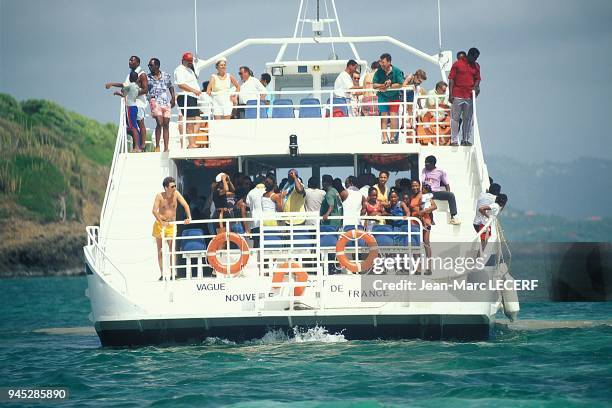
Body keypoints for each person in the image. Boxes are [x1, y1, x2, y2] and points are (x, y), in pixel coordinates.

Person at [151, 176, 191, 280]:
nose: (174, 188)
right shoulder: (159, 196)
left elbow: (185, 204)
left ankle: (173, 273)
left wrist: (189, 217)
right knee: (160, 250)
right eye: (172, 186)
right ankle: (162, 273)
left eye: (175, 186)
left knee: (172, 249)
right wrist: (161, 222)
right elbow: (154, 210)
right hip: (160, 224)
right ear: (166, 187)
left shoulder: (176, 194)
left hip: (171, 225)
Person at [449, 47, 481, 146]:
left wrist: (476, 87)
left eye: (476, 58)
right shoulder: (457, 64)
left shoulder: (476, 66)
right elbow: (451, 79)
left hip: (469, 96)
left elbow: (478, 78)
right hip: (457, 94)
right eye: (474, 57)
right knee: (455, 118)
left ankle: (465, 139)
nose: (475, 60)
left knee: (468, 118)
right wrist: (450, 94)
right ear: (469, 55)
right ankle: (454, 140)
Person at [106, 71, 143, 152]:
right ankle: (138, 146)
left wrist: (113, 87)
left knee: (133, 128)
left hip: (130, 108)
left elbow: (123, 90)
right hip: (134, 106)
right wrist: (119, 93)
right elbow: (126, 94)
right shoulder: (136, 86)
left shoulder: (130, 85)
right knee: (134, 127)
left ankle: (137, 147)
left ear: (129, 78)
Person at [174, 52, 205, 148]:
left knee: (197, 120)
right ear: (183, 61)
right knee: (190, 121)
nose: (190, 63)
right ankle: (191, 143)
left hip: (192, 97)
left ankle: (192, 142)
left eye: (191, 62)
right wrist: (194, 90)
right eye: (188, 61)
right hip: (185, 96)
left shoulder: (190, 70)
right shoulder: (179, 70)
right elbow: (181, 84)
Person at [373, 53, 404, 143]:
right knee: (384, 116)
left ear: (389, 62)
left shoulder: (397, 71)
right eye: (381, 62)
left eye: (383, 62)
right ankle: (384, 138)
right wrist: (383, 85)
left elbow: (400, 84)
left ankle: (392, 137)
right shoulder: (379, 71)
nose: (381, 64)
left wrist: (389, 86)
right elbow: (374, 85)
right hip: (383, 96)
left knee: (393, 115)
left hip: (394, 96)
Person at [421, 155, 460, 224]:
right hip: (427, 192)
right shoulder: (424, 170)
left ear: (433, 164)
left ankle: (453, 216)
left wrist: (447, 194)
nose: (425, 165)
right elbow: (422, 181)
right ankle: (430, 219)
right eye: (425, 163)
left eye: (427, 164)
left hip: (436, 192)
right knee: (425, 197)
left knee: (451, 195)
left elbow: (447, 184)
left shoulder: (440, 171)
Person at [147, 58, 175, 152]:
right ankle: (157, 146)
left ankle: (166, 147)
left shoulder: (166, 75)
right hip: (154, 101)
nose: (149, 67)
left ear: (157, 66)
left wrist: (173, 98)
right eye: (149, 65)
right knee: (159, 123)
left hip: (165, 101)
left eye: (151, 65)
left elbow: (170, 87)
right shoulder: (147, 77)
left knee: (166, 124)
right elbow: (142, 88)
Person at [246, 175, 266, 246]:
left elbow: (247, 204)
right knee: (266, 243)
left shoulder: (251, 192)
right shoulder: (267, 191)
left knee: (256, 242)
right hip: (266, 221)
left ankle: (256, 257)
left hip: (255, 221)